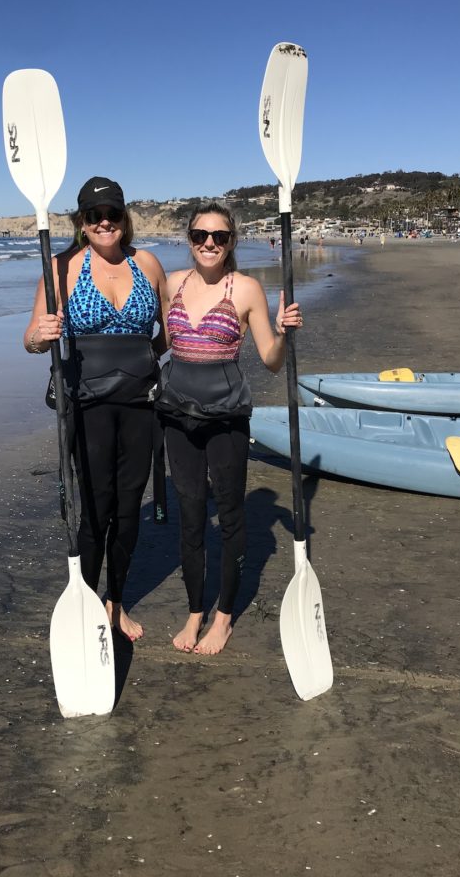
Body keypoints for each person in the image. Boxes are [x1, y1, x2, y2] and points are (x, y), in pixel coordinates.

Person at [23, 177, 167, 641]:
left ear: (125, 219)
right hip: (87, 406)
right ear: (81, 222)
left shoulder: (146, 263)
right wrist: (41, 335)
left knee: (129, 509)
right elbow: (29, 339)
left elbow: (164, 331)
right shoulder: (60, 266)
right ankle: (84, 601)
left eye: (112, 214)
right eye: (94, 215)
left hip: (140, 403)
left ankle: (115, 602)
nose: (104, 222)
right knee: (96, 511)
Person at [156, 202, 302, 655]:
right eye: (201, 235)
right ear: (190, 239)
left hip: (226, 418)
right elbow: (158, 342)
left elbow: (273, 363)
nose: (209, 244)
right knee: (191, 517)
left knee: (230, 514)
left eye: (219, 237)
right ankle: (195, 610)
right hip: (176, 415)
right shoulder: (173, 284)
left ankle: (223, 619)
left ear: (231, 241)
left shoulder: (248, 290)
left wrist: (283, 333)